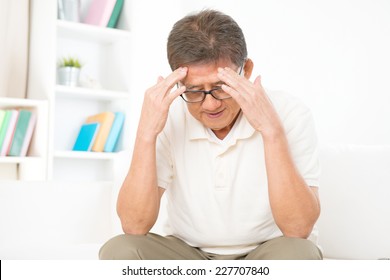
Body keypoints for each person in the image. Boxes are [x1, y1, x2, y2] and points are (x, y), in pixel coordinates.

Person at [99, 9, 322, 260]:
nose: (210, 105)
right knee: (119, 250)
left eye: (220, 87)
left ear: (245, 70)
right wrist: (145, 134)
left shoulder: (291, 113)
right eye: (194, 91)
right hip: (189, 254)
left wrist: (271, 131)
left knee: (300, 254)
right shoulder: (169, 115)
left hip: (266, 253)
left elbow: (298, 229)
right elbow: (133, 225)